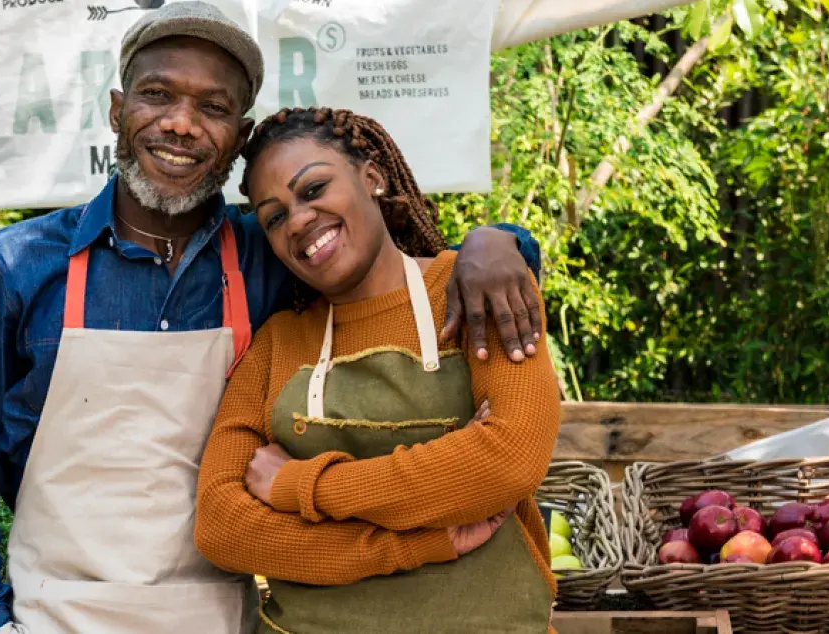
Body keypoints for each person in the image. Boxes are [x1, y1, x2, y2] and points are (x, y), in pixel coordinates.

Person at [0, 1, 547, 634]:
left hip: (217, 619)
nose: (181, 125)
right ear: (116, 110)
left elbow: (382, 258)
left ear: (237, 141)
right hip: (50, 615)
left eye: (213, 107)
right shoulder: (16, 268)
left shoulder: (269, 256)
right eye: (157, 94)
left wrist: (497, 243)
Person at [192, 107, 561, 634]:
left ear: (373, 177)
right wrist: (410, 543)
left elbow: (507, 460)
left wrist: (299, 487)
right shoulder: (277, 342)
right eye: (274, 216)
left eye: (314, 188)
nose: (298, 220)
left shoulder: (478, 289)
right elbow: (223, 527)